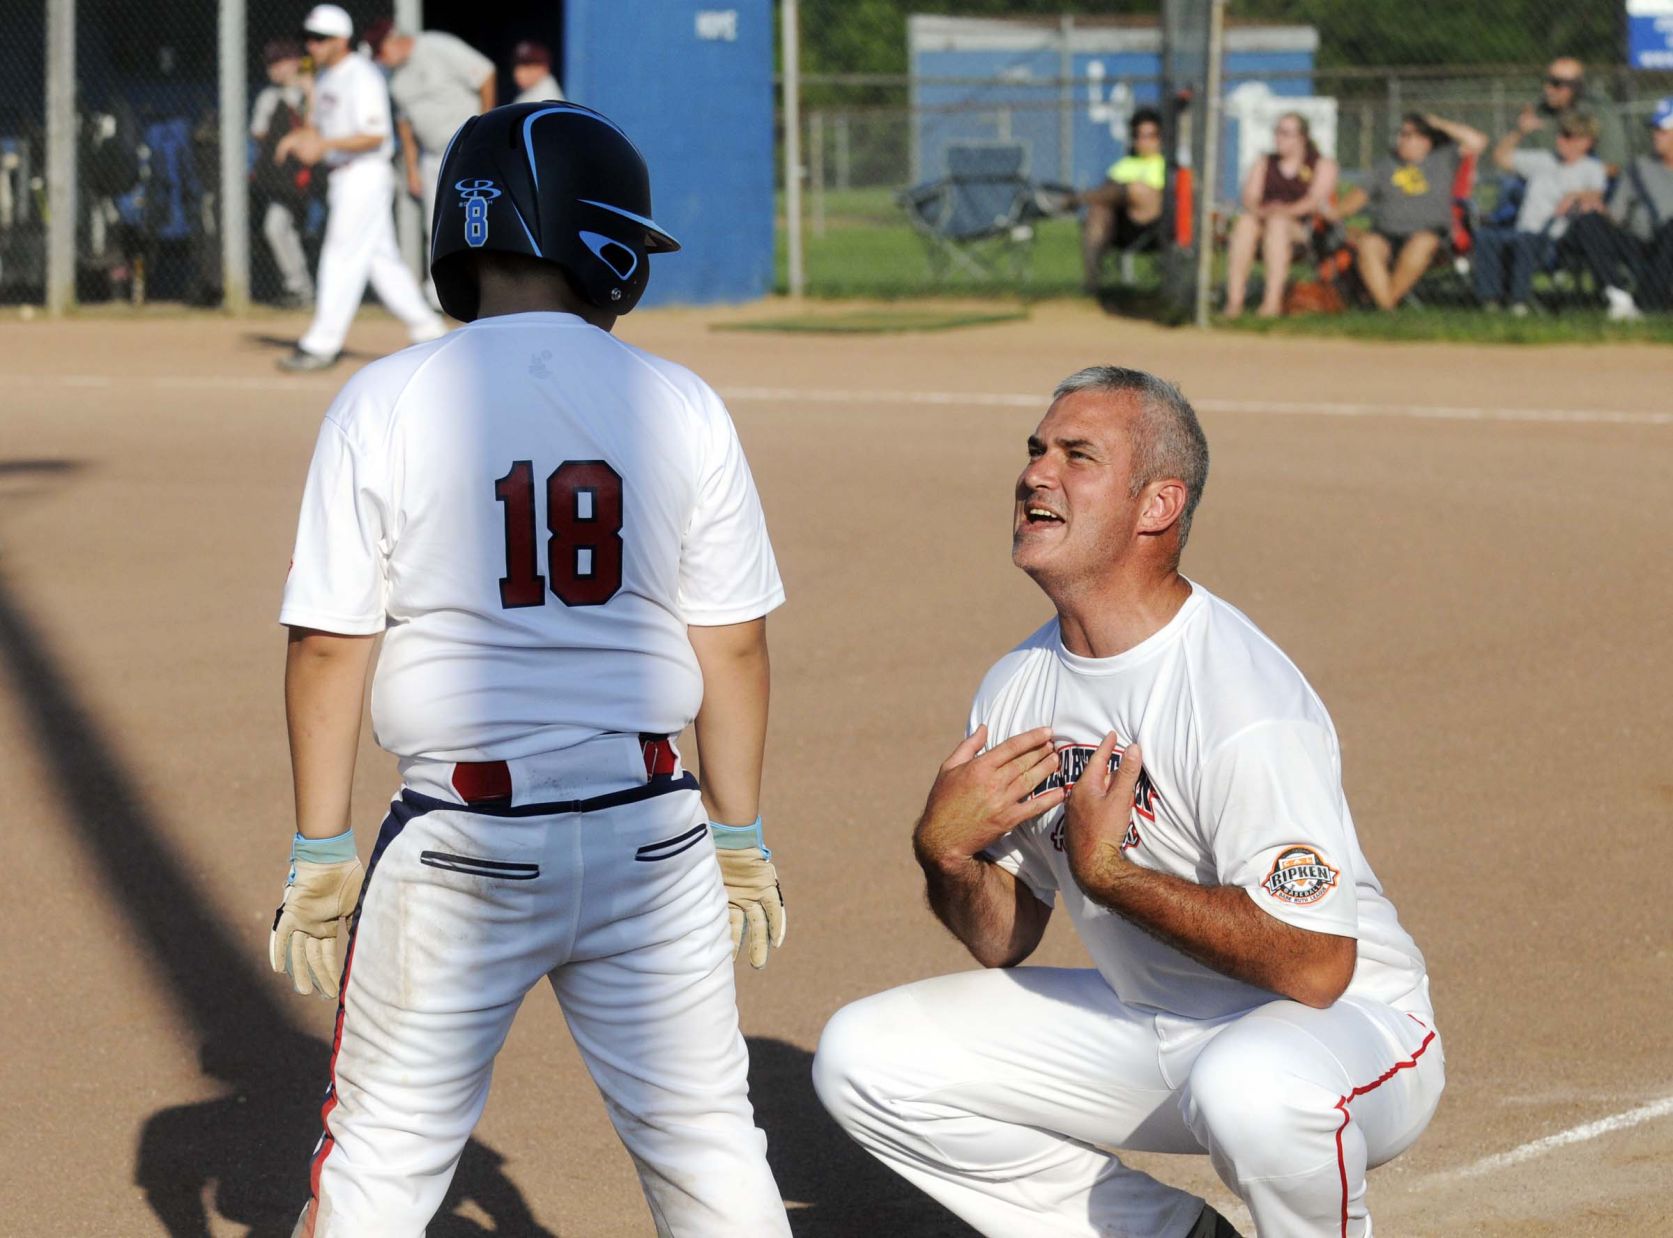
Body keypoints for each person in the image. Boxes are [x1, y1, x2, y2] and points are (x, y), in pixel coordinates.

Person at [272, 101, 792, 1237]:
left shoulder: (384, 396)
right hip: (654, 831)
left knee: (382, 1161)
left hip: (463, 837)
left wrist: (321, 847)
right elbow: (733, 641)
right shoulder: (676, 400)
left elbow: (328, 643)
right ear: (593, 242)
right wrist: (740, 835)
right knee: (708, 1141)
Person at [813, 366, 1444, 1238]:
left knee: (1252, 1090)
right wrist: (946, 855)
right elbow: (1006, 937)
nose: (1037, 474)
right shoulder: (1017, 685)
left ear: (1157, 507)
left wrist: (1110, 875)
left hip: (1341, 1034)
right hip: (1153, 1026)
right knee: (865, 1058)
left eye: (1078, 457)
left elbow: (1313, 967)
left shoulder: (1240, 699)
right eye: (1036, 451)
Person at [274, 5, 445, 372]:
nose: (312, 44)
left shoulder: (361, 76)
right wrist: (300, 136)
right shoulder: (325, 77)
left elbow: (376, 133)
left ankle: (322, 343)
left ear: (341, 40)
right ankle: (428, 328)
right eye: (309, 37)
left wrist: (324, 146)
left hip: (364, 173)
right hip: (343, 175)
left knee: (340, 256)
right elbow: (321, 131)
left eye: (320, 38)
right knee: (380, 260)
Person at [364, 19, 496, 304]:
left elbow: (485, 74)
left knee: (477, 221)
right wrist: (412, 169)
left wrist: (485, 127)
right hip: (433, 157)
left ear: (393, 40)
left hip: (468, 149)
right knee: (436, 227)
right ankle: (441, 297)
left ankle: (484, 293)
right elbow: (405, 126)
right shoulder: (394, 78)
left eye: (380, 51)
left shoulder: (436, 46)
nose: (380, 59)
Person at [1333, 112, 1486, 310]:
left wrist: (1438, 122)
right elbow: (1354, 201)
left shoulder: (1443, 158)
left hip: (1429, 235)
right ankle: (1388, 308)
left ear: (1425, 141)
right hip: (1385, 235)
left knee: (1422, 243)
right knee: (1368, 244)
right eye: (1400, 134)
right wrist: (1329, 214)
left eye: (1407, 135)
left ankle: (1386, 306)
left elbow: (1478, 141)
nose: (1400, 140)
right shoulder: (1385, 166)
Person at [1474, 108, 1606, 314]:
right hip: (1522, 231)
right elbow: (1500, 157)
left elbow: (1597, 195)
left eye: (1568, 136)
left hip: (1555, 237)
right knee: (1486, 236)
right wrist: (1520, 132)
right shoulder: (1543, 160)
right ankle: (1490, 301)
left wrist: (1574, 195)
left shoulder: (1591, 168)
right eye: (1561, 134)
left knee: (1527, 240)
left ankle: (1518, 303)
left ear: (1586, 142)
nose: (1560, 140)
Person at [1566, 97, 1673, 321]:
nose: (1655, 134)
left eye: (1662, 130)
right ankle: (1620, 298)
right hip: (1641, 243)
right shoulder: (1638, 168)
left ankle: (1648, 304)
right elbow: (1616, 216)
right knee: (1588, 222)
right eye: (1654, 129)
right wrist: (1593, 205)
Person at [1223, 112, 1339, 316]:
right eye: (1277, 132)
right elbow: (1250, 197)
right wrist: (1262, 211)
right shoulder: (1265, 162)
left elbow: (1314, 201)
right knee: (1245, 224)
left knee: (1278, 224)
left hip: (1301, 229)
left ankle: (1271, 303)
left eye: (1285, 133)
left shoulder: (1320, 164)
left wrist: (1282, 212)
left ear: (1301, 138)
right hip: (1264, 221)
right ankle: (1234, 302)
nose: (1278, 138)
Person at [1069, 107, 1166, 292]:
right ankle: (1092, 284)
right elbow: (1108, 191)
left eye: (1151, 136)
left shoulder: (1165, 165)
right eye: (1140, 136)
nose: (1145, 141)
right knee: (1098, 210)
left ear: (1160, 138)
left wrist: (1130, 189)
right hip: (1122, 228)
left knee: (1136, 189)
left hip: (1154, 226)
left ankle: (1077, 198)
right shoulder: (1123, 165)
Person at [249, 39, 316, 309]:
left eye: (280, 62)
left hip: (322, 175)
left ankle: (305, 288)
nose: (274, 69)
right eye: (271, 64)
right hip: (288, 180)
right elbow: (258, 133)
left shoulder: (313, 88)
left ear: (295, 62)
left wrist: (309, 93)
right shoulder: (269, 97)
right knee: (276, 227)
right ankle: (299, 288)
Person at [1522, 57, 1627, 174]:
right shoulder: (1540, 111)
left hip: (1589, 183)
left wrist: (1568, 178)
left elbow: (1613, 166)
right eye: (1546, 81)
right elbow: (1510, 160)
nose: (1548, 89)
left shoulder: (1599, 112)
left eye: (1556, 83)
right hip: (1545, 179)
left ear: (1575, 87)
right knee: (1510, 184)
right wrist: (1519, 132)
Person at [511, 40, 565, 104]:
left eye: (528, 66)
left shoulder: (546, 96)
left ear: (544, 67)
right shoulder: (531, 91)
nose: (519, 72)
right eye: (517, 65)